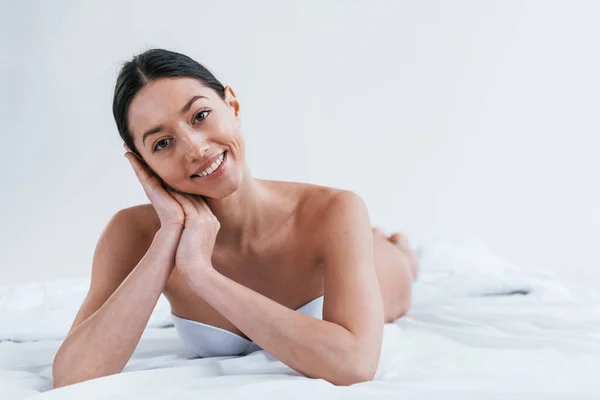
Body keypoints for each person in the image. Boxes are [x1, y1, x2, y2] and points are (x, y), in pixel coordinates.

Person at [52, 48, 419, 388]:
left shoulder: (334, 211)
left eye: (200, 115)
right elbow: (73, 376)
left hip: (382, 267)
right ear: (142, 163)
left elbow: (353, 365)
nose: (195, 148)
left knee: (396, 259)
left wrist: (201, 274)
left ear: (233, 105)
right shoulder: (132, 233)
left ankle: (397, 245)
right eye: (162, 143)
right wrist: (169, 239)